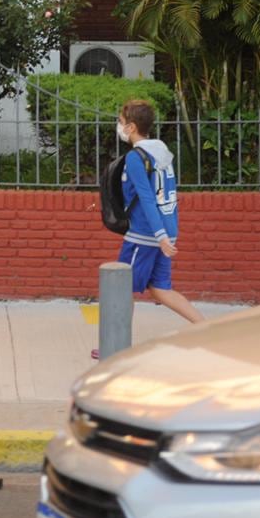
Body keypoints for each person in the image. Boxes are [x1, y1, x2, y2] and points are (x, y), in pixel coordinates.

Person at [95, 99, 203, 357]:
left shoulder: (136, 157)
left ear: (131, 127)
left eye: (121, 122)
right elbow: (167, 194)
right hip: (164, 229)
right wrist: (167, 233)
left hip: (144, 235)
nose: (119, 127)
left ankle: (115, 346)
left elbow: (146, 197)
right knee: (160, 289)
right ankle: (209, 328)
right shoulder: (161, 151)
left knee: (121, 287)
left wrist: (160, 236)